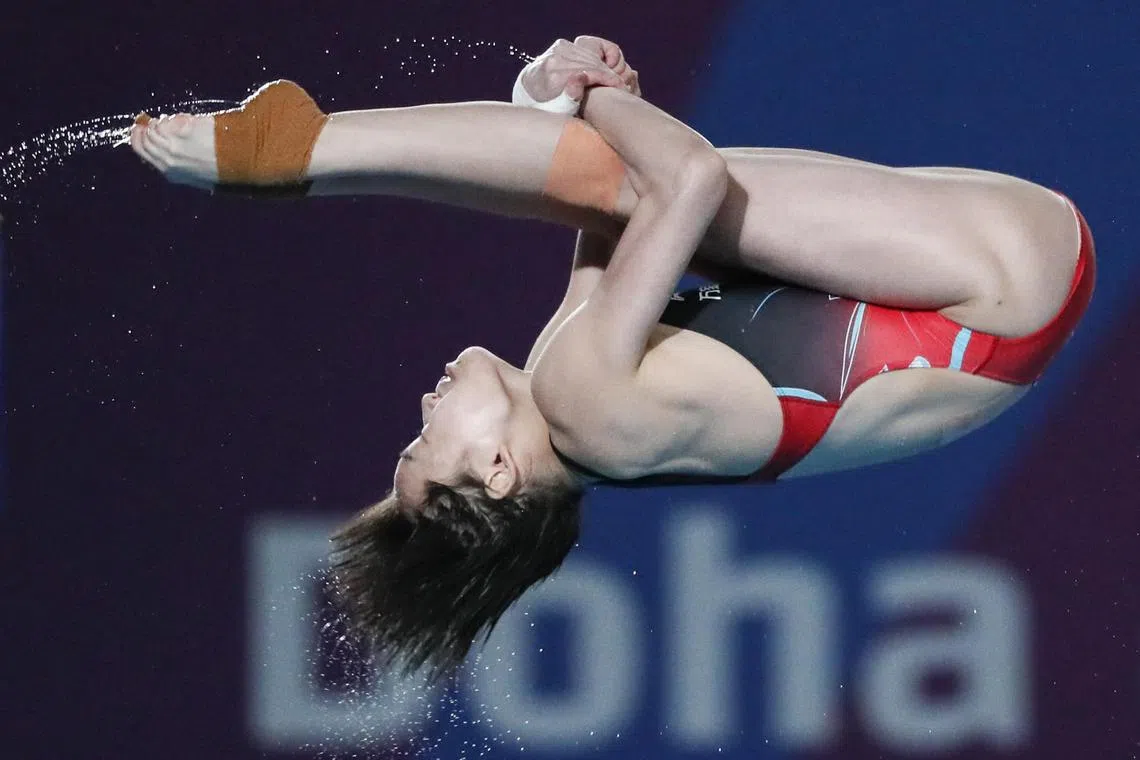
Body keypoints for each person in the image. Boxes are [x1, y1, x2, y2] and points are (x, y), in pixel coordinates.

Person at [128, 36, 1095, 680]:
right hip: (990, 285)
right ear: (499, 472)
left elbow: (609, 228)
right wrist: (592, 101)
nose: (424, 403)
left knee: (610, 184)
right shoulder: (579, 400)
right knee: (628, 176)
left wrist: (570, 110)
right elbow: (683, 176)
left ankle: (306, 150)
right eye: (425, 440)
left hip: (1004, 307)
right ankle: (303, 154)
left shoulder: (587, 423)